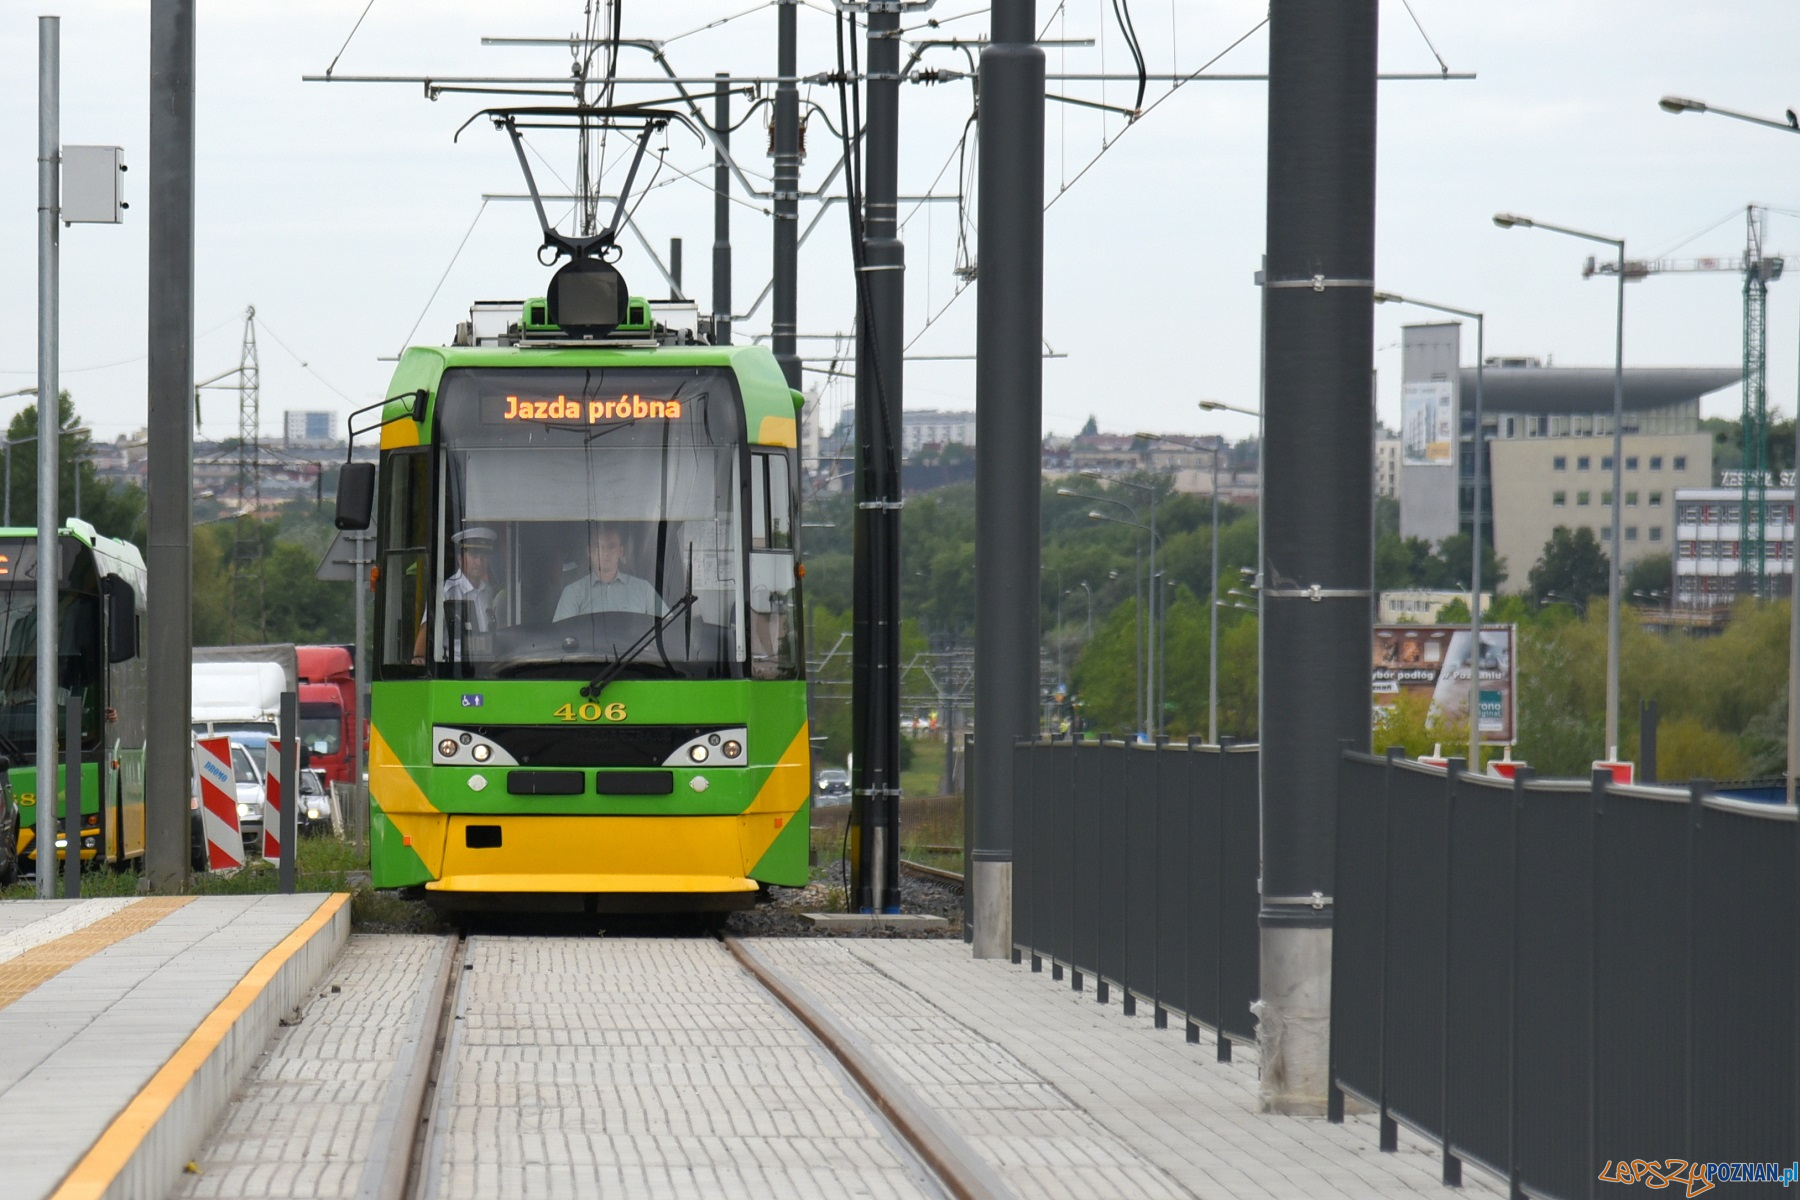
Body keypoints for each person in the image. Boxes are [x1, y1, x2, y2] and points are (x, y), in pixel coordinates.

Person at [413, 527, 500, 663]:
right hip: (456, 672)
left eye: (483, 557)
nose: (479, 562)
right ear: (460, 558)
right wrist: (418, 658)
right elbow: (425, 637)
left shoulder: (489, 591)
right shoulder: (447, 592)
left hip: (487, 669)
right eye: (474, 556)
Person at [554, 522, 667, 620]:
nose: (605, 553)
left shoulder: (644, 589)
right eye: (598, 547)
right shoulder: (573, 593)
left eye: (611, 546)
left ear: (621, 551)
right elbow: (561, 636)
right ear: (589, 552)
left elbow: (668, 626)